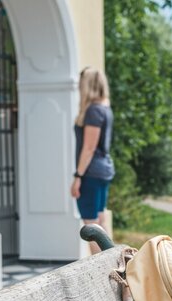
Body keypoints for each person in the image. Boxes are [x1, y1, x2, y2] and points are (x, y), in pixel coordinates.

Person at [71, 67, 114, 254]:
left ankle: (100, 273)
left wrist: (78, 176)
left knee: (91, 227)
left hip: (91, 172)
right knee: (100, 220)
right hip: (103, 170)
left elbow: (89, 148)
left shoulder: (93, 111)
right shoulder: (105, 108)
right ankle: (112, 268)